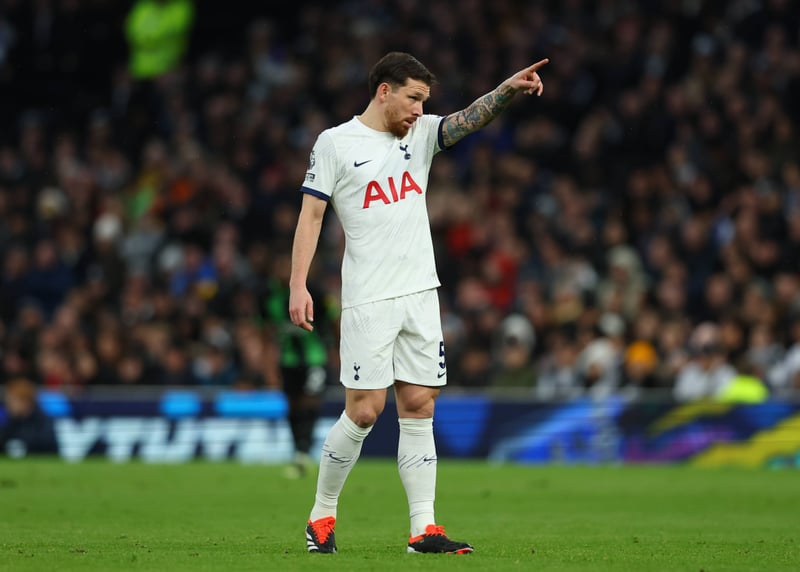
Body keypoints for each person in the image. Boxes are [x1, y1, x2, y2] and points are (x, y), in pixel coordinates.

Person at [289, 51, 548, 555]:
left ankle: (423, 529)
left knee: (419, 404)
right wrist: (298, 284)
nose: (419, 110)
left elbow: (467, 120)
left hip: (421, 294)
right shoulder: (336, 143)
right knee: (365, 411)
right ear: (384, 91)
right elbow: (311, 217)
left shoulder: (421, 133)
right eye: (413, 98)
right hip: (368, 297)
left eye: (424, 101)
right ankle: (321, 515)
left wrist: (506, 90)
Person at [260, 248, 339, 478]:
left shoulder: (315, 291)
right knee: (293, 405)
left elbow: (334, 321)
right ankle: (298, 452)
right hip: (287, 360)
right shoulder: (269, 297)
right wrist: (269, 366)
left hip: (315, 357)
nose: (283, 271)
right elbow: (267, 333)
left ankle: (303, 452)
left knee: (310, 401)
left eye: (287, 265)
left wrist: (338, 350)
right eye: (280, 266)